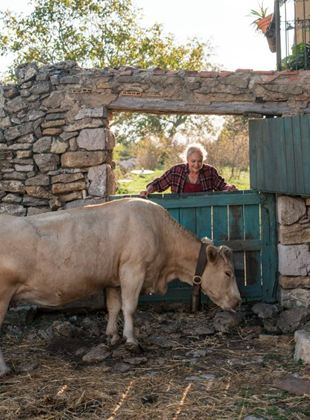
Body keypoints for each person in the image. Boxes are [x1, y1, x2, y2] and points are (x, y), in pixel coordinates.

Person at [140, 143, 237, 196]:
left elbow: (221, 185)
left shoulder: (209, 171)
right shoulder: (176, 171)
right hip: (181, 214)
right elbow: (158, 184)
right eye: (193, 161)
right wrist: (147, 191)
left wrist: (229, 188)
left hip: (204, 213)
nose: (196, 164)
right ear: (187, 160)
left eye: (199, 161)